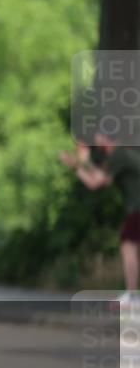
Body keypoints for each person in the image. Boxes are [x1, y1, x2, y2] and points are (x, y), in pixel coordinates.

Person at [61, 131, 140, 306]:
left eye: (98, 138)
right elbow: (97, 179)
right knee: (130, 245)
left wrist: (77, 164)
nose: (96, 143)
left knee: (128, 245)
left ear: (107, 138)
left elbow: (95, 183)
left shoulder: (119, 154)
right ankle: (133, 295)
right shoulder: (123, 154)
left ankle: (133, 296)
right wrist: (80, 164)